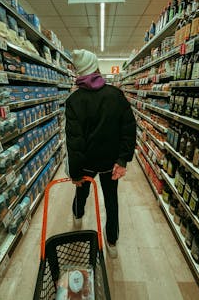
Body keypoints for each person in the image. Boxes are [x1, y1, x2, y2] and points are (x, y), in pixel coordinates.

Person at [65, 49, 136, 258]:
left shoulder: (74, 101)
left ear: (79, 72)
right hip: (110, 163)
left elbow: (75, 141)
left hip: (86, 163)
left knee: (82, 192)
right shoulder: (116, 95)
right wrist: (122, 159)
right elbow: (128, 129)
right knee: (111, 199)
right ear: (95, 68)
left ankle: (78, 216)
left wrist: (76, 173)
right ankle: (112, 241)